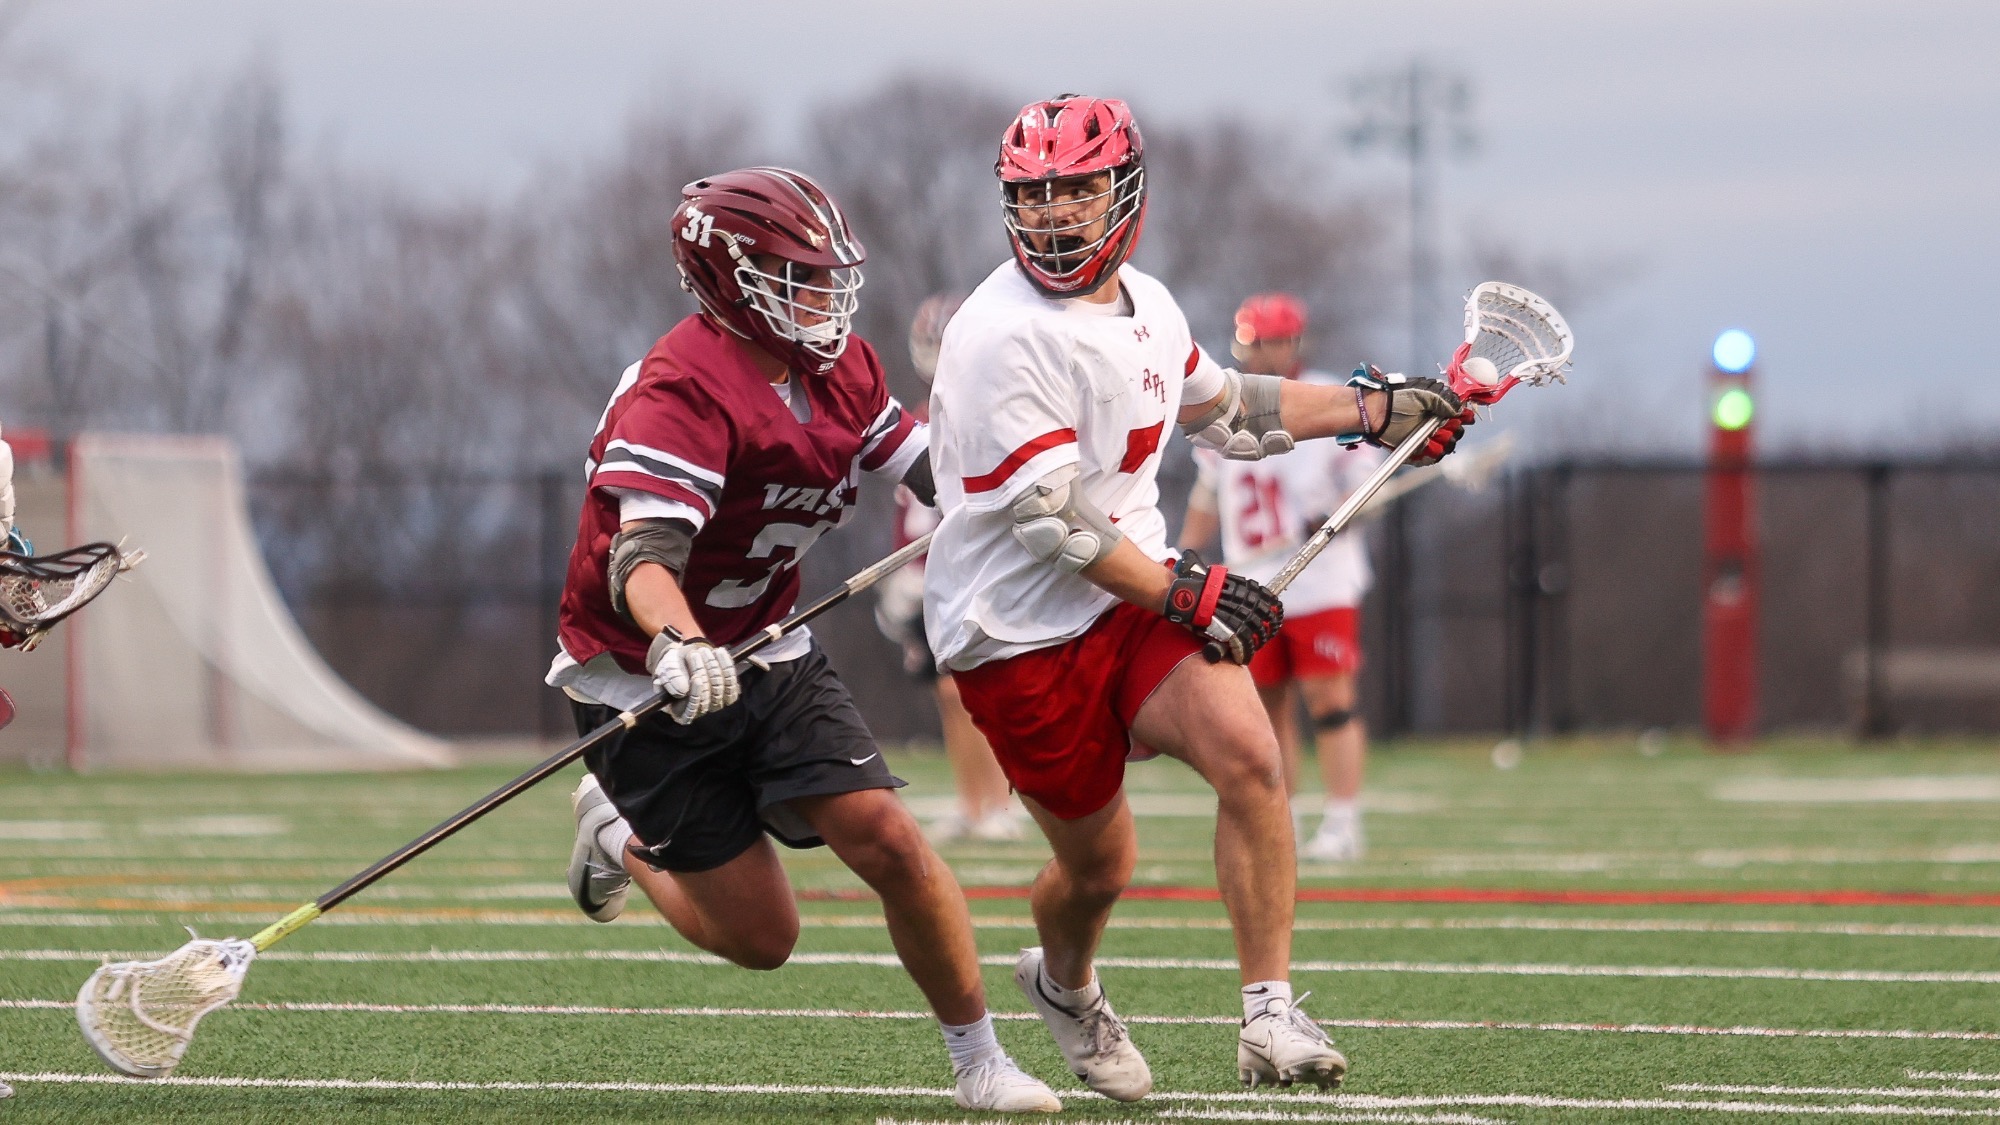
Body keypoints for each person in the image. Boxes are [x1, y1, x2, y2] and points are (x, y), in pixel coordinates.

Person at [924, 95, 1470, 1096]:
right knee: (1097, 872)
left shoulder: (1150, 305)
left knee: (1251, 758)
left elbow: (1230, 414)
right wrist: (1187, 589)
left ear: (1122, 192)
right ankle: (1064, 987)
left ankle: (1269, 1014)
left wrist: (1373, 409)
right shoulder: (996, 333)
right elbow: (1055, 525)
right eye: (1033, 195)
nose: (1053, 214)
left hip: (1125, 599)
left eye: (1077, 189)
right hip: (1018, 633)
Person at [548, 167, 1060, 1113]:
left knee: (892, 841)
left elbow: (929, 466)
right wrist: (678, 643)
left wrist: (1033, 492)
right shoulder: (683, 388)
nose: (824, 296)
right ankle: (616, 835)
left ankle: (981, 1059)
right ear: (728, 281)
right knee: (761, 938)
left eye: (827, 275)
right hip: (641, 675)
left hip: (769, 646)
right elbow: (642, 557)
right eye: (798, 275)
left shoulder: (840, 365)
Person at [1180, 294, 1384, 862]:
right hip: (1253, 581)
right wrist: (1187, 553)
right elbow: (1207, 489)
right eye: (1257, 340)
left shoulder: (1326, 396)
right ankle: (1283, 818)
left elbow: (1365, 481)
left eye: (1275, 340)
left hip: (1320, 578)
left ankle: (1343, 821)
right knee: (1264, 707)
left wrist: (1343, 512)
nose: (1265, 351)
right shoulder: (1224, 400)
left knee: (1330, 698)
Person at [874, 293, 1022, 842]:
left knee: (979, 693)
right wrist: (903, 577)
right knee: (949, 697)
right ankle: (974, 802)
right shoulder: (916, 419)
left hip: (976, 572)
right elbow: (912, 512)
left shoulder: (992, 413)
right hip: (929, 574)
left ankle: (999, 804)